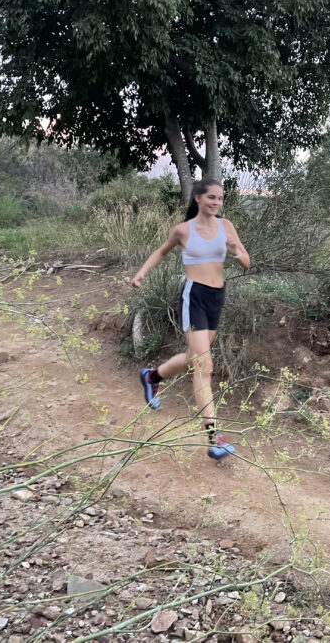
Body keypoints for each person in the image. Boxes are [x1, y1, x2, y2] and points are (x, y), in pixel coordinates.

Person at [131, 178, 250, 460]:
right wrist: (141, 273)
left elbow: (246, 262)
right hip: (194, 297)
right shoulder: (183, 230)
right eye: (211, 197)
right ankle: (214, 438)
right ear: (198, 198)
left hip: (217, 298)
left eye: (220, 198)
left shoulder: (226, 226)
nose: (216, 203)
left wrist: (234, 249)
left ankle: (152, 376)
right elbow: (161, 251)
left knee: (193, 357)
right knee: (204, 366)